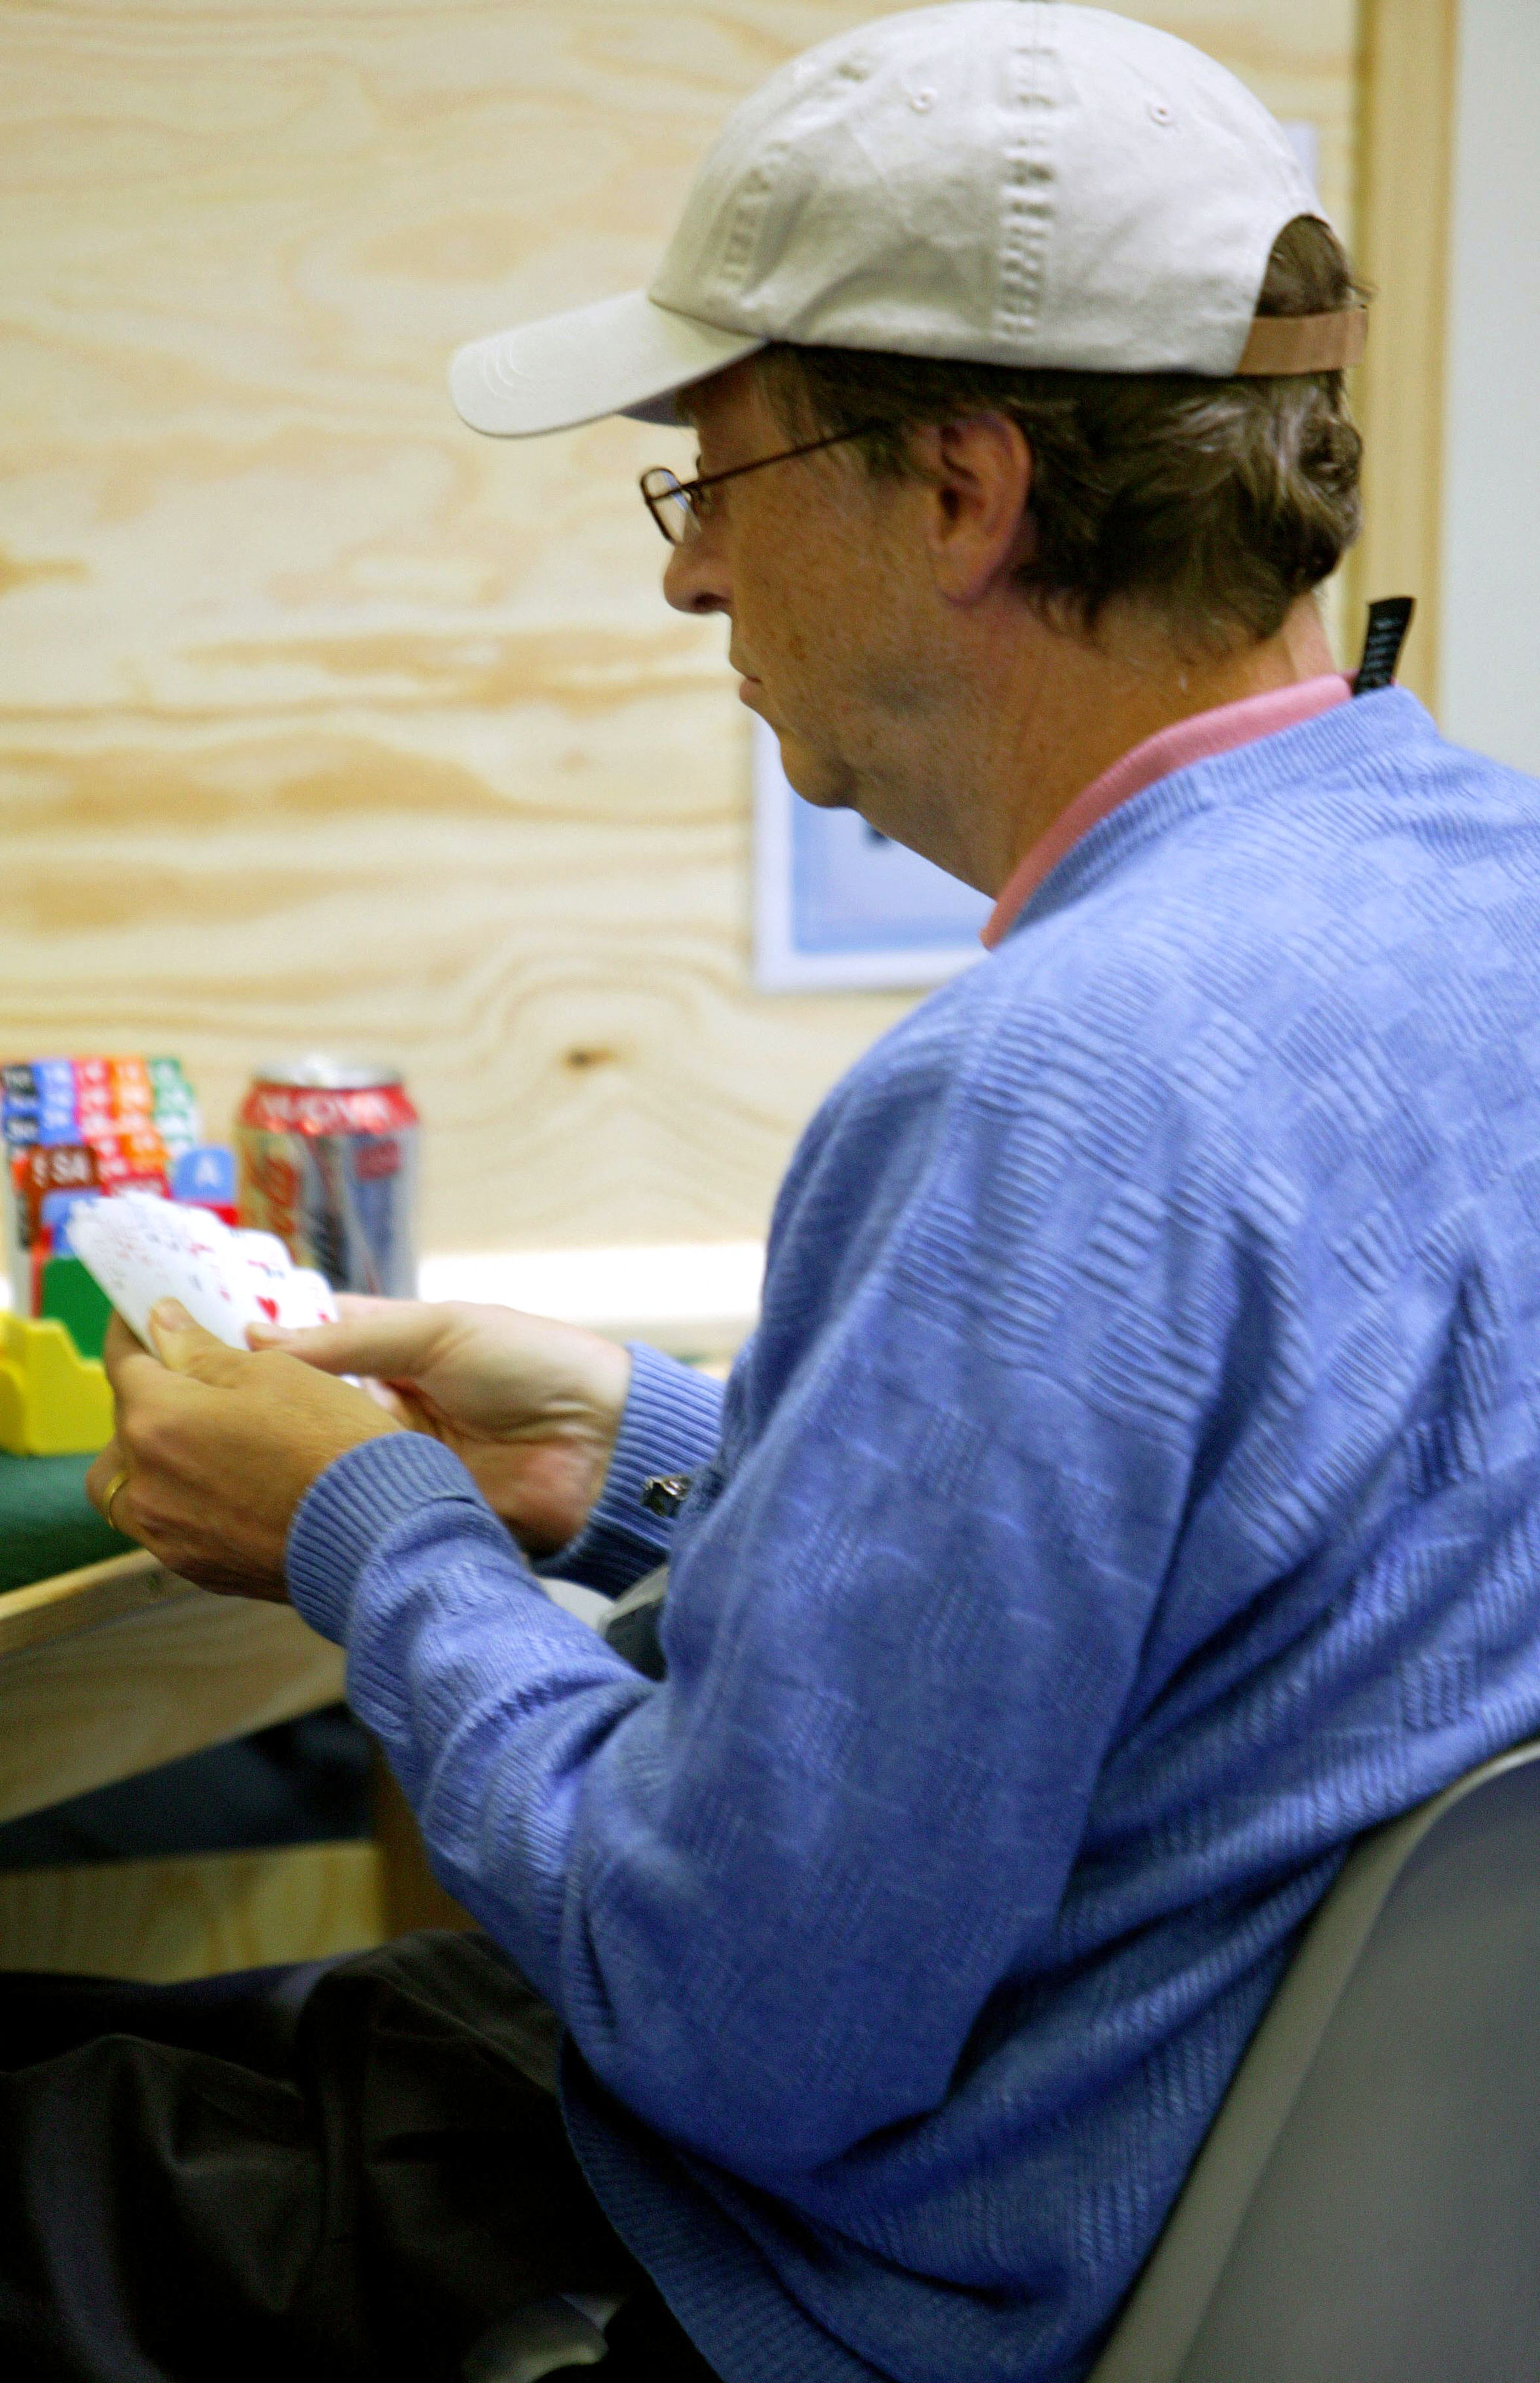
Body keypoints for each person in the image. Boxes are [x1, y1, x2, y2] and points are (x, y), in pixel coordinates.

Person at [8, 4, 1540, 2380]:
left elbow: (737, 2017)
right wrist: (635, 1455)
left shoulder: (1047, 1096)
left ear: (958, 487)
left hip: (816, 2266)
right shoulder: (1482, 913)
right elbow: (1205, 1625)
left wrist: (377, 1530)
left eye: (714, 475)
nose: (688, 578)